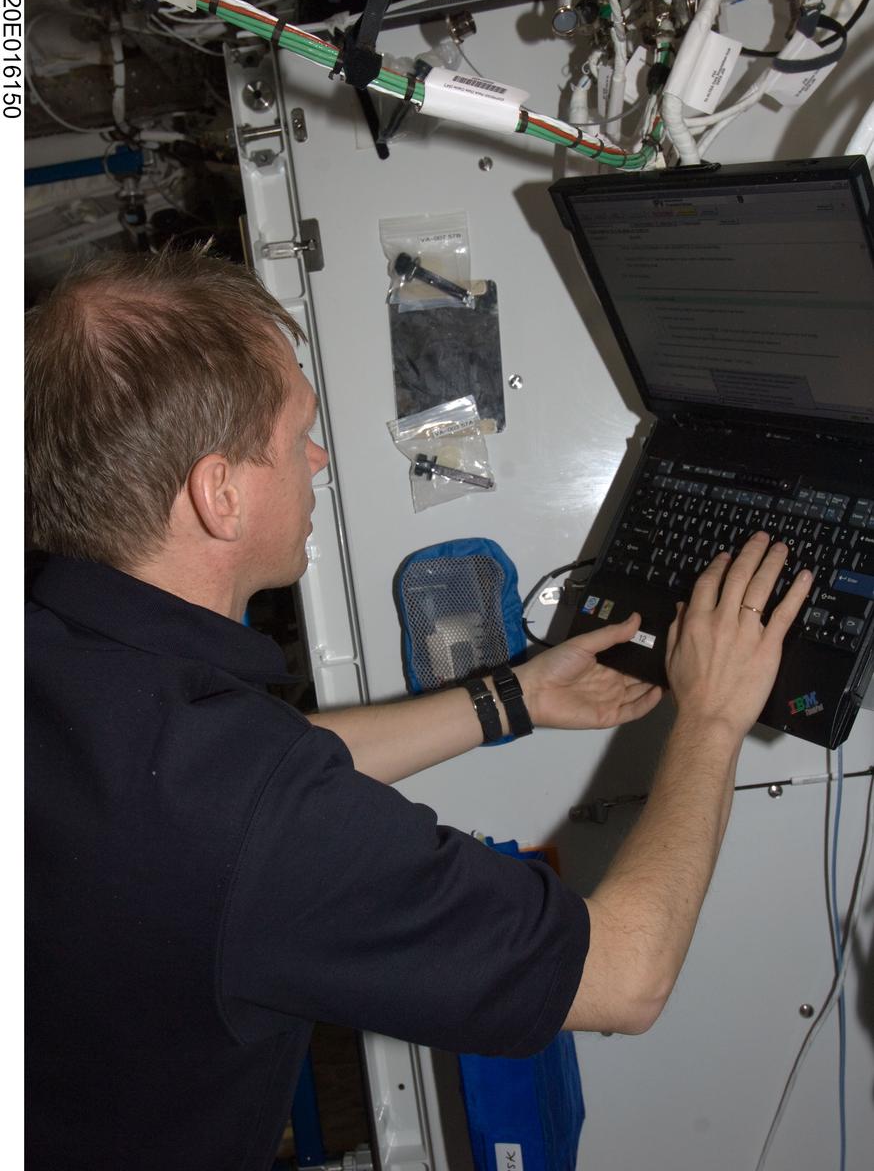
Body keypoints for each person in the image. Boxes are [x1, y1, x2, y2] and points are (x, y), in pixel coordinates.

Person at [25, 245, 811, 1171]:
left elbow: (244, 774)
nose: (317, 458)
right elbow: (626, 977)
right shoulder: (243, 815)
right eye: (295, 435)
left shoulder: (62, 647)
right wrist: (714, 716)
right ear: (219, 494)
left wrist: (509, 698)